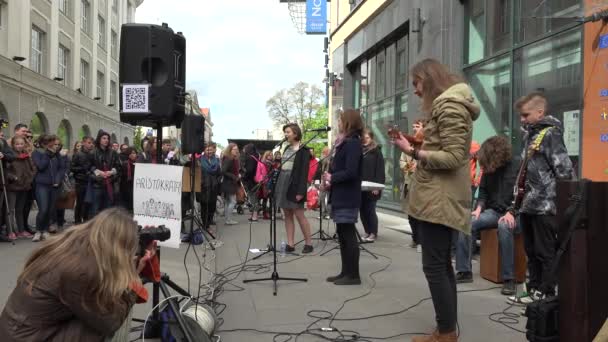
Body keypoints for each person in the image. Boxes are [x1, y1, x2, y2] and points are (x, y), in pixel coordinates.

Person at [392, 58, 480, 342]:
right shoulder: (449, 104)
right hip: (436, 198)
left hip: (439, 200)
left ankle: (445, 334)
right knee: (440, 265)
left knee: (436, 266)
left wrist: (414, 152)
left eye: (416, 84)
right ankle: (446, 330)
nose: (415, 91)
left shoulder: (449, 105)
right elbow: (444, 145)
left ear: (428, 79)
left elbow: (455, 157)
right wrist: (414, 142)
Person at [0, 208, 152, 341]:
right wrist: (132, 279)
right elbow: (110, 323)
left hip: (17, 332)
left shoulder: (71, 247)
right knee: (103, 320)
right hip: (26, 337)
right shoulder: (79, 272)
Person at [507, 92, 574, 305]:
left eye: (525, 115)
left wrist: (559, 201)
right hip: (528, 204)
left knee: (545, 253)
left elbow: (564, 169)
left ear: (540, 112)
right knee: (531, 251)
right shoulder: (530, 135)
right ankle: (533, 289)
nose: (522, 119)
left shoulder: (551, 134)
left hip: (545, 206)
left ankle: (547, 295)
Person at [454, 136, 521, 295]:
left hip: (515, 212)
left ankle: (509, 279)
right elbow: (483, 191)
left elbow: (524, 194)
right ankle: (464, 271)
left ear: (497, 155)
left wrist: (512, 212)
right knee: (467, 222)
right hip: (494, 211)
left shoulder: (518, 164)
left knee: (504, 226)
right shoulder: (490, 166)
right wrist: (479, 208)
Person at [323, 109, 364, 285]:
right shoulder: (344, 143)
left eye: (340, 120)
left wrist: (333, 177)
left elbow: (351, 172)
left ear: (348, 122)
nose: (338, 123)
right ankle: (345, 272)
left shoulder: (353, 143)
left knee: (348, 235)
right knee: (342, 234)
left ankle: (353, 275)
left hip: (348, 196)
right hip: (340, 194)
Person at [276, 123, 313, 254]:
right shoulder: (286, 148)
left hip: (295, 183)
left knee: (299, 214)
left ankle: (309, 243)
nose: (286, 135)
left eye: (288, 132)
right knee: (287, 214)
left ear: (295, 133)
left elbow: (304, 172)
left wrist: (301, 191)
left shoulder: (303, 150)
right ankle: (290, 244)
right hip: (283, 181)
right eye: (285, 132)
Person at [31, 135, 64, 242]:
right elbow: (41, 166)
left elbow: (61, 168)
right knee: (43, 209)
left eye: (58, 144)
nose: (57, 146)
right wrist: (48, 154)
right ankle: (38, 231)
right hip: (42, 185)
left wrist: (58, 180)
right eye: (55, 144)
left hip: (54, 186)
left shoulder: (57, 154)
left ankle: (45, 231)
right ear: (46, 144)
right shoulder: (37, 153)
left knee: (50, 210)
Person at [399, 119, 425, 251]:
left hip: (421, 185)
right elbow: (402, 161)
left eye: (418, 126)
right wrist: (407, 165)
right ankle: (415, 239)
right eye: (414, 126)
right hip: (409, 183)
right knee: (410, 215)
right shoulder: (409, 144)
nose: (415, 128)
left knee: (419, 215)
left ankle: (421, 242)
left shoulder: (426, 144)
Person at [5, 137, 33, 240]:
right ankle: (11, 231)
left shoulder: (26, 156)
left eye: (21, 144)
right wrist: (13, 178)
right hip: (13, 186)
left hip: (24, 186)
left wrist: (29, 179)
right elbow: (6, 171)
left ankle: (21, 230)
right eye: (17, 144)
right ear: (13, 145)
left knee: (20, 209)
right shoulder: (10, 156)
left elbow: (32, 168)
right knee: (10, 210)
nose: (20, 146)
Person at [359, 128, 385, 242]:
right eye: (363, 138)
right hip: (360, 186)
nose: (365, 140)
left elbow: (380, 170)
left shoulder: (376, 151)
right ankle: (367, 231)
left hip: (372, 186)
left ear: (371, 138)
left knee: (370, 210)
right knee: (362, 210)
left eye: (367, 138)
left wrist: (376, 186)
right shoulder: (359, 150)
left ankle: (373, 232)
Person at [90, 130, 121, 216]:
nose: (106, 140)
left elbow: (118, 167)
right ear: (99, 139)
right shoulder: (93, 152)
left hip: (109, 183)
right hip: (97, 184)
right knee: (95, 209)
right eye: (104, 138)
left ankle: (106, 227)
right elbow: (89, 167)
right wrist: (99, 172)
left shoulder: (113, 152)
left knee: (108, 209)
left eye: (107, 138)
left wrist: (111, 172)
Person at [71, 136, 95, 224]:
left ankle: (85, 219)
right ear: (83, 143)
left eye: (92, 143)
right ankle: (77, 220)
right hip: (80, 181)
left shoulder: (92, 155)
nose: (91, 145)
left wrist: (91, 170)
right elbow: (72, 168)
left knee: (88, 202)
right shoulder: (77, 154)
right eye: (89, 143)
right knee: (80, 202)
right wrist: (83, 169)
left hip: (89, 181)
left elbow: (93, 167)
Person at [200, 143, 221, 231]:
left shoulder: (216, 160)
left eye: (211, 150)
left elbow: (219, 173)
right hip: (203, 186)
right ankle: (205, 225)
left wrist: (217, 181)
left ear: (214, 150)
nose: (209, 151)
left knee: (212, 206)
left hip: (214, 186)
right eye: (207, 150)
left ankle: (209, 222)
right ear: (204, 150)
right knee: (204, 206)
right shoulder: (199, 160)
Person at [221, 143, 241, 225]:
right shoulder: (229, 159)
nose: (236, 151)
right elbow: (223, 171)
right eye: (234, 149)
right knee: (232, 201)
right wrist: (234, 176)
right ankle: (228, 220)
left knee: (228, 202)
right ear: (230, 150)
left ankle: (227, 219)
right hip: (229, 183)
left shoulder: (232, 158)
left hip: (229, 183)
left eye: (237, 149)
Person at [242, 143, 260, 222]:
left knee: (253, 198)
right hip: (256, 180)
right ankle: (253, 215)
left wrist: (243, 177)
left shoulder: (250, 158)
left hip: (251, 181)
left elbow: (249, 170)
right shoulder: (257, 156)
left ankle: (255, 216)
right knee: (254, 198)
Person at [119, 147, 138, 212]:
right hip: (126, 187)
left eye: (134, 153)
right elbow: (122, 177)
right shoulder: (125, 164)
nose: (133, 155)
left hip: (136, 187)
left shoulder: (139, 163)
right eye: (131, 153)